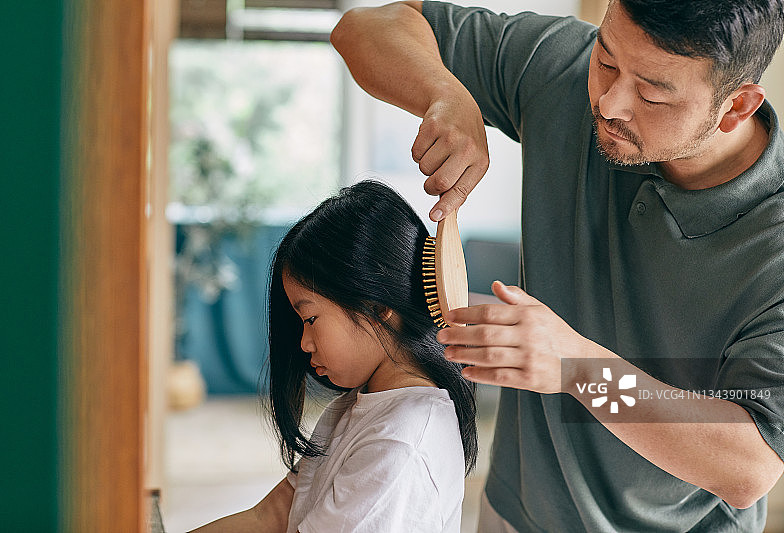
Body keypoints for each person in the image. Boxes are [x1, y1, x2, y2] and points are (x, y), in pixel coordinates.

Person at [332, 1, 784, 531]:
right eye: (608, 59)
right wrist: (446, 92)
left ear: (736, 108)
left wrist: (577, 369)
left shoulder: (773, 245)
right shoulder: (562, 69)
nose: (610, 102)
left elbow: (750, 464)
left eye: (651, 92)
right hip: (514, 511)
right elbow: (364, 26)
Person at [191, 180, 477, 533]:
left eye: (310, 319)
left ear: (377, 305)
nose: (303, 344)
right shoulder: (356, 406)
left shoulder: (401, 442)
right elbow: (270, 517)